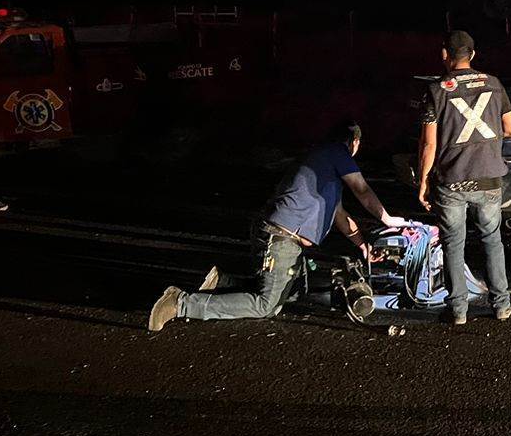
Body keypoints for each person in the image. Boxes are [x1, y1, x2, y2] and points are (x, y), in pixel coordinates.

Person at [147, 120, 404, 331]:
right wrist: (387, 219)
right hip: (280, 238)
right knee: (266, 305)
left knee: (286, 295)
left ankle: (224, 282)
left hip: (275, 234)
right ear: (355, 143)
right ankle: (180, 303)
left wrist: (363, 247)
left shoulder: (323, 165)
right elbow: (362, 189)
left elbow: (340, 215)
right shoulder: (336, 152)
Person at [416, 30, 511, 325]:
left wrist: (423, 180)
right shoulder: (494, 84)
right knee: (491, 239)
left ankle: (458, 310)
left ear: (445, 55)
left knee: (453, 242)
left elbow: (429, 144)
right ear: (473, 55)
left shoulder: (436, 90)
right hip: (489, 179)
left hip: (452, 181)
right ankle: (501, 305)